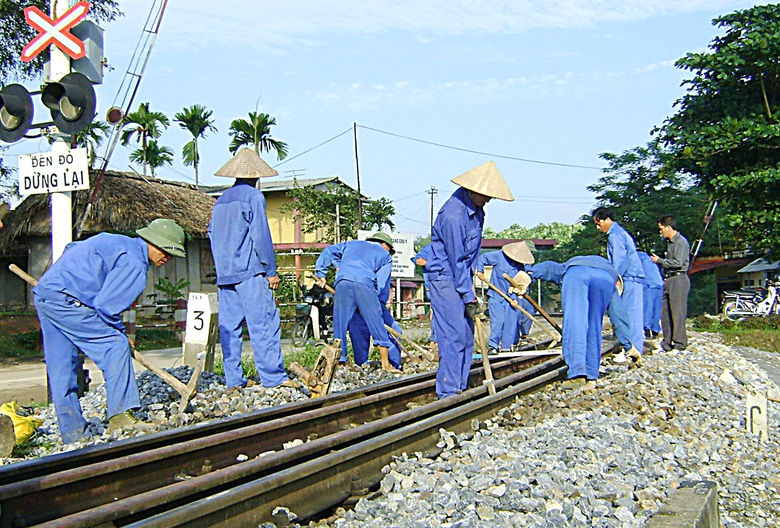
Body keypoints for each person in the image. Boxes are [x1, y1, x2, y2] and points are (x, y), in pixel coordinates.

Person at [33, 219, 187, 443]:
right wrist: (120, 332)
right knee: (115, 346)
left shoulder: (116, 241)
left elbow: (72, 249)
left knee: (63, 367)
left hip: (47, 294)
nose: (169, 259)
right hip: (69, 302)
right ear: (155, 243)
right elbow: (106, 306)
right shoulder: (135, 265)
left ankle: (73, 434)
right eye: (169, 252)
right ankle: (120, 417)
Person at [208, 149, 297, 389]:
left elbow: (211, 235)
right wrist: (271, 270)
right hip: (249, 272)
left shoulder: (220, 201)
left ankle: (234, 379)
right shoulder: (253, 197)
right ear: (256, 175)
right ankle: (274, 377)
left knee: (230, 329)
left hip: (225, 274)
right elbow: (261, 236)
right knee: (264, 324)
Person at [426, 161, 514, 399]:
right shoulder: (453, 216)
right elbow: (456, 260)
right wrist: (468, 294)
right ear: (472, 189)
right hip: (445, 278)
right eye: (485, 195)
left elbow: (469, 257)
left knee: (466, 336)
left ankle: (459, 386)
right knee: (453, 335)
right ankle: (448, 392)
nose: (488, 200)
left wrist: (471, 291)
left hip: (460, 276)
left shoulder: (477, 212)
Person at [523, 256, 627, 388]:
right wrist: (630, 347)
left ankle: (577, 374)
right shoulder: (610, 278)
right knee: (594, 327)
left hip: (576, 274)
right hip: (604, 282)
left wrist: (529, 274)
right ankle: (591, 374)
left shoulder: (569, 265)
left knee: (575, 321)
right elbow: (620, 317)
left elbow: (550, 266)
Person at [314, 232, 400, 372]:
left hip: (342, 281)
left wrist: (321, 274)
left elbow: (329, 251)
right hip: (365, 283)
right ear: (385, 245)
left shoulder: (351, 244)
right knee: (377, 324)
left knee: (340, 323)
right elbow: (382, 284)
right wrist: (371, 304)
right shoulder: (385, 256)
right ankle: (386, 364)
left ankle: (340, 363)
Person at [593, 207, 645, 360]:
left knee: (630, 316)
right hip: (631, 276)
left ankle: (633, 350)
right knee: (630, 315)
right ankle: (632, 348)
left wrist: (614, 278)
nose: (598, 227)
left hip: (630, 278)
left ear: (606, 219)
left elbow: (619, 260)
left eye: (598, 223)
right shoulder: (619, 232)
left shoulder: (615, 235)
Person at [475, 241, 534, 353]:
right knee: (498, 322)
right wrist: (480, 271)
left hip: (510, 298)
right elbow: (482, 258)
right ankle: (493, 346)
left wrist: (514, 298)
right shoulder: (498, 256)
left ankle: (507, 347)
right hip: (496, 295)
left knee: (510, 322)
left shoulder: (520, 267)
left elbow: (518, 284)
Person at [651, 216, 690, 352]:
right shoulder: (669, 243)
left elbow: (678, 263)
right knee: (666, 314)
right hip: (668, 279)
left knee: (677, 313)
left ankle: (680, 344)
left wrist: (659, 261)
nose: (660, 232)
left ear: (668, 227)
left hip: (678, 279)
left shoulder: (681, 242)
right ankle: (667, 344)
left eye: (661, 229)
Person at [412, 244, 438, 357]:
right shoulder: (432, 248)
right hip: (435, 286)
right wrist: (433, 265)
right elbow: (418, 260)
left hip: (449, 286)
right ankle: (434, 343)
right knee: (439, 314)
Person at [638, 251, 664, 339]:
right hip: (659, 284)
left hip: (649, 284)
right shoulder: (648, 258)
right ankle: (655, 330)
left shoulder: (638, 256)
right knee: (657, 308)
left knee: (648, 308)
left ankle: (647, 330)